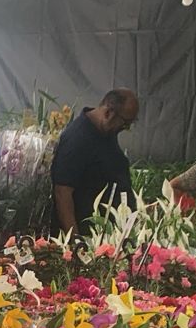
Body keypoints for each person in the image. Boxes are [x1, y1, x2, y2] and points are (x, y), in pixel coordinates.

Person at [51, 88, 140, 233]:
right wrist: (76, 241)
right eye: (125, 123)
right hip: (90, 234)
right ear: (108, 113)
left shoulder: (104, 130)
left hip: (111, 232)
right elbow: (62, 192)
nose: (126, 128)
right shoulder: (77, 138)